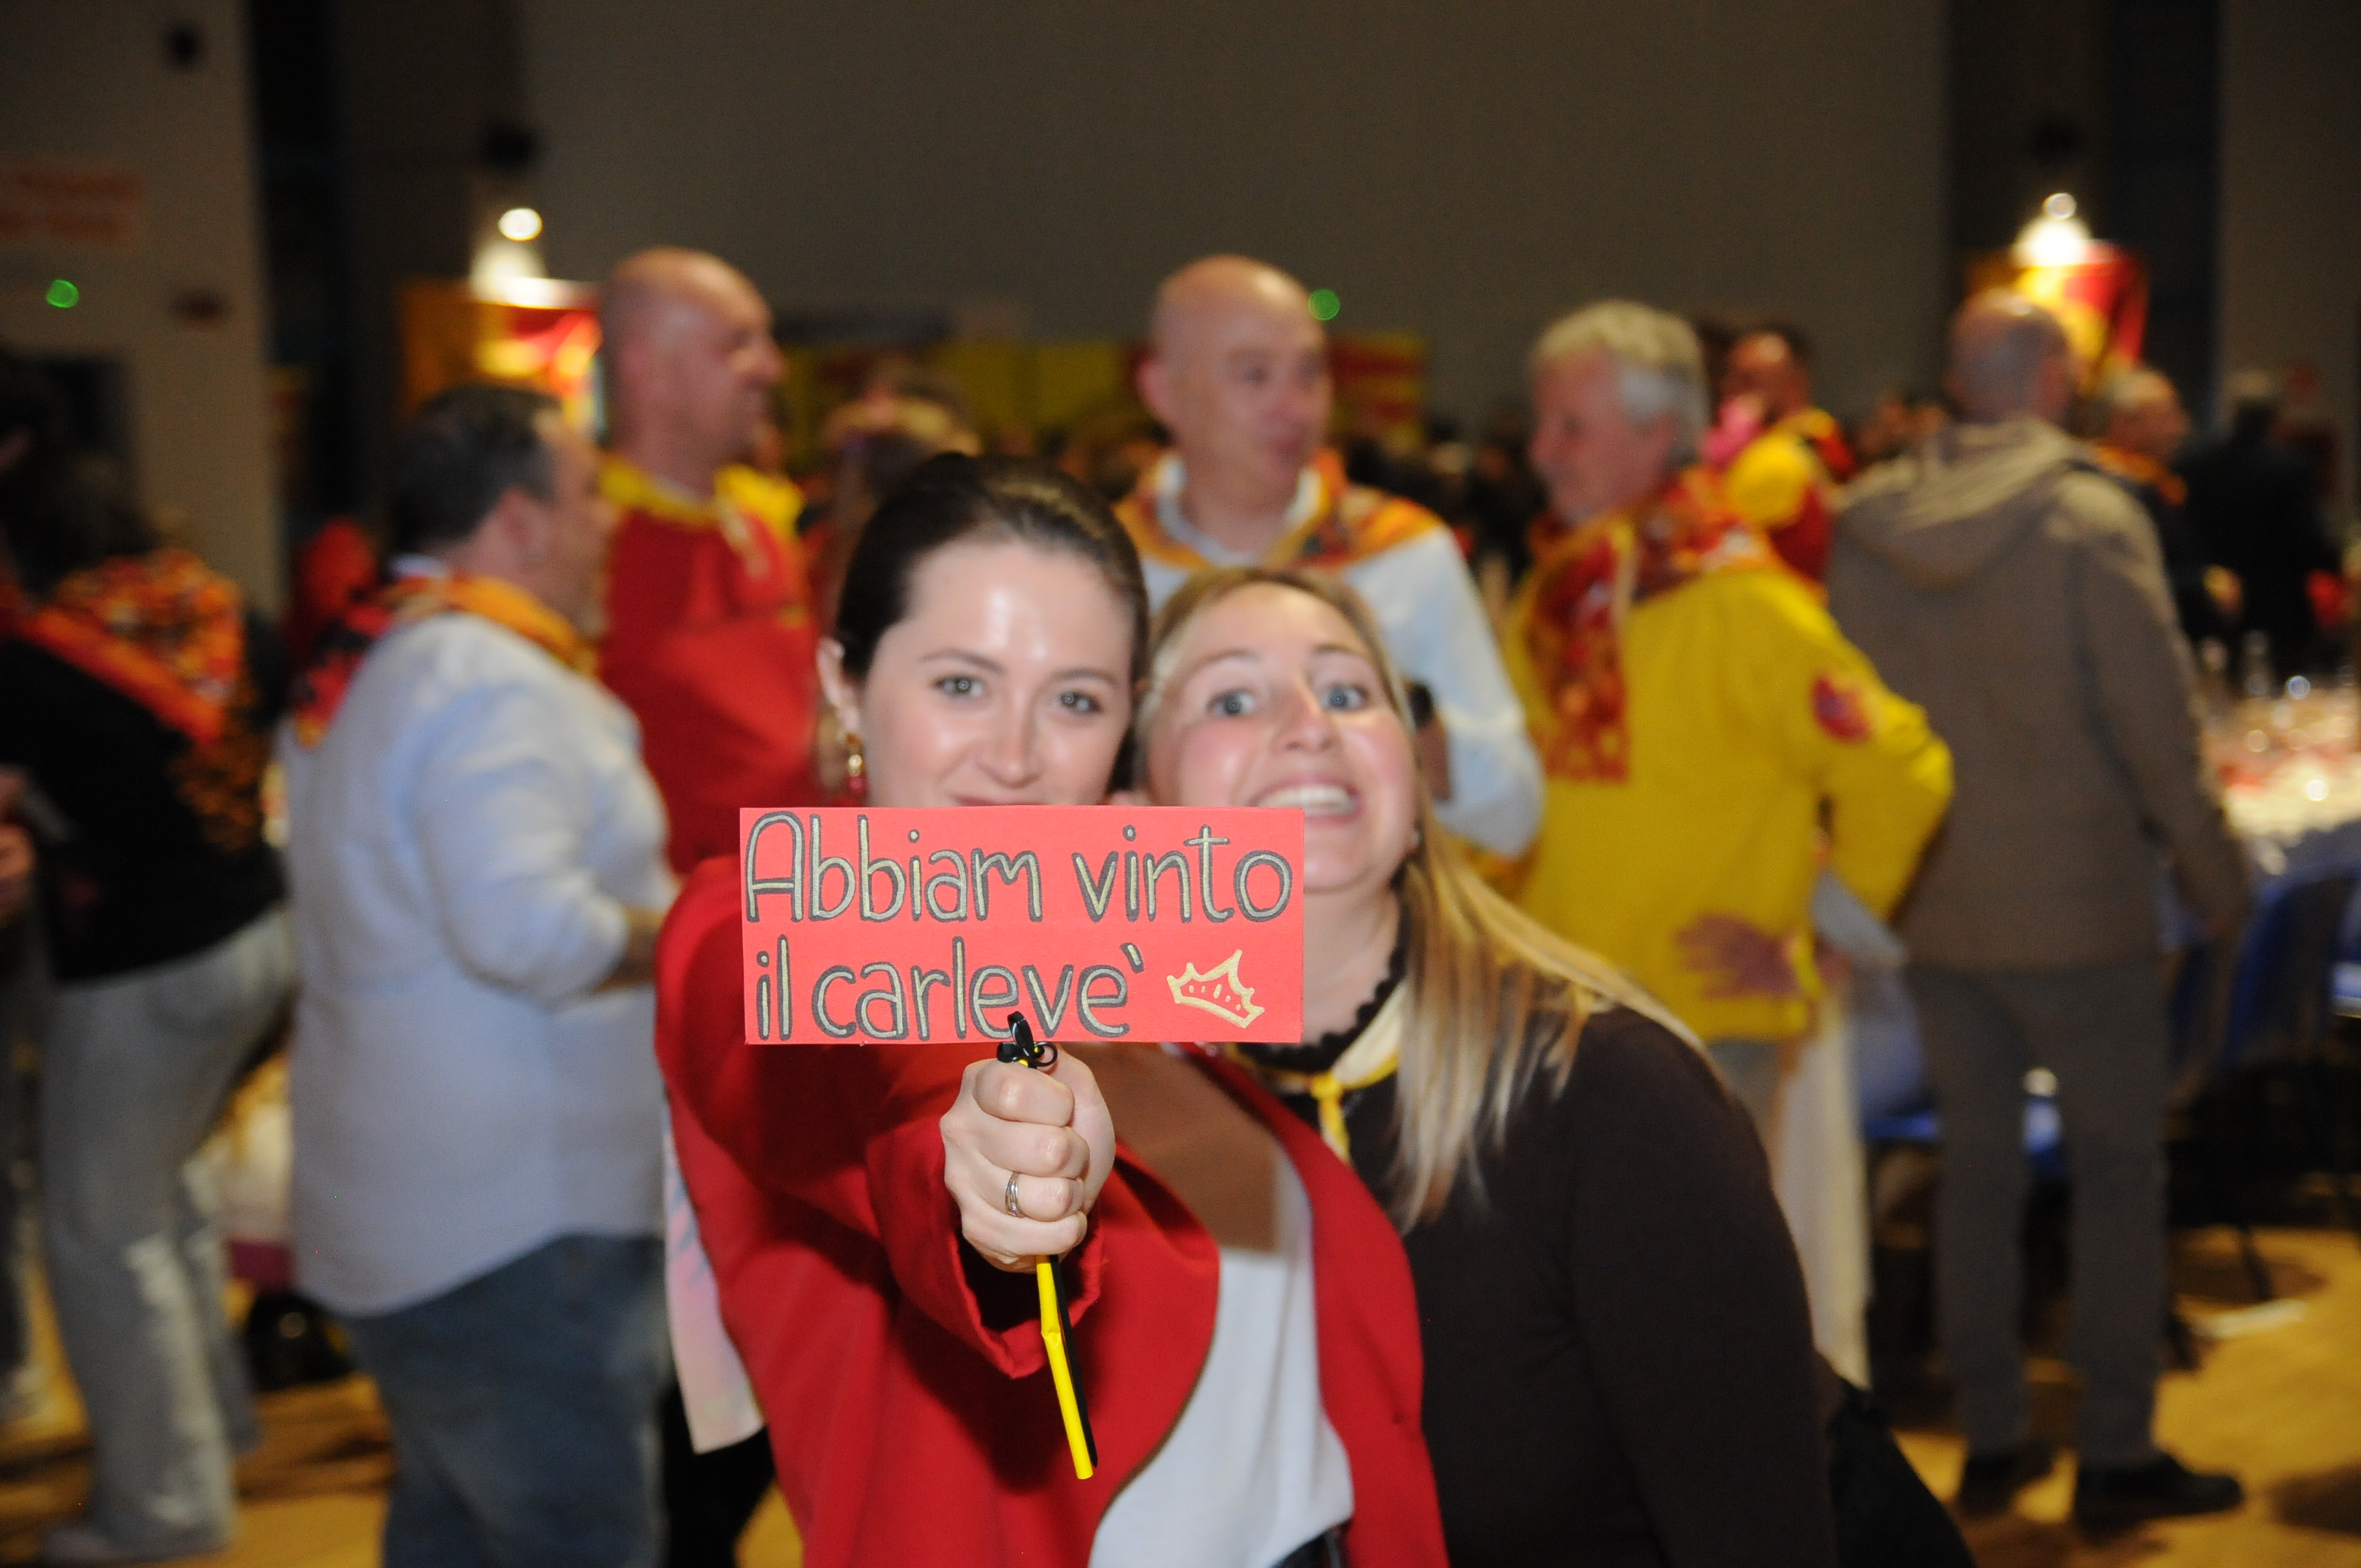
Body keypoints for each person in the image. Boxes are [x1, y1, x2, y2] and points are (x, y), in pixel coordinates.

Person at [656, 454, 1449, 1566]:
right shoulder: (749, 927)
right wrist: (980, 1159)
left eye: (1075, 700)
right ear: (845, 684)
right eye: (961, 686)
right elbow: (882, 1059)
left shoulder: (1144, 933)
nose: (1016, 759)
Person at [1131, 565, 1918, 1566]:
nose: (1309, 725)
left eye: (1348, 690)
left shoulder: (1609, 1097)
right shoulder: (1121, 1133)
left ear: (1413, 783)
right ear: (1132, 804)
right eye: (1233, 700)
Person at [1830, 292, 2250, 1527]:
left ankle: (1994, 1435)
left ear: (1960, 383)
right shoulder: (2087, 517)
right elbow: (2158, 728)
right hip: (2081, 911)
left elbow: (1847, 726)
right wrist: (2216, 877)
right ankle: (2115, 1447)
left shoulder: (1869, 524)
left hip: (1939, 908)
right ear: (2058, 380)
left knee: (1976, 1174)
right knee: (2117, 1175)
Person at [280, 385, 674, 1567]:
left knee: (453, 1532)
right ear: (520, 521)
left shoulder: (381, 652)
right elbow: (525, 931)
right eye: (590, 494)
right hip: (516, 1233)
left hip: (425, 1211)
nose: (610, 521)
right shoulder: (487, 677)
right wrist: (704, 931)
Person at [1504, 301, 1952, 1136]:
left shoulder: (1742, 602)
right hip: (1553, 1015)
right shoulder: (1559, 591)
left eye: (1572, 427)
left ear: (1656, 434)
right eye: (1544, 423)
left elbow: (1902, 770)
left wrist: (1823, 935)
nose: (1541, 451)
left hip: (1693, 1032)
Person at [0, 451, 292, 1563]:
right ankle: (214, 1430)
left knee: (100, 1233)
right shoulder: (224, 612)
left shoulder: (40, 657)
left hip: (144, 968)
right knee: (166, 1197)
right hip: (255, 936)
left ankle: (165, 1504)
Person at [1114, 255, 1542, 860]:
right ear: (1163, 391)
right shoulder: (1103, 568)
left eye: (1310, 373)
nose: (1293, 406)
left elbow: (1517, 813)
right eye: (1255, 375)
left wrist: (1401, 715)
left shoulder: (1403, 553)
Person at [599, 247, 821, 874]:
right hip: (691, 914)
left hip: (813, 892)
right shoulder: (587, 547)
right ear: (647, 370)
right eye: (737, 345)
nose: (773, 369)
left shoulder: (764, 526)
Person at [2182, 369, 2341, 679]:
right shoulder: (2291, 467)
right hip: (2280, 610)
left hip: (2217, 607)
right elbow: (2306, 541)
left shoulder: (2195, 466)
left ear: (2232, 414)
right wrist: (2338, 563)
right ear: (2275, 417)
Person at [2089, 369, 2237, 645]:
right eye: (2166, 417)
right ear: (2125, 423)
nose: (2179, 429)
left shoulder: (2159, 482)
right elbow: (2128, 578)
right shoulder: (2107, 490)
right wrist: (2200, 586)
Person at [1714, 324, 1858, 581]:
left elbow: (1711, 535)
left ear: (1795, 383)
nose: (1729, 387)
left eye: (1750, 380)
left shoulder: (1783, 451)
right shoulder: (1813, 434)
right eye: (1730, 375)